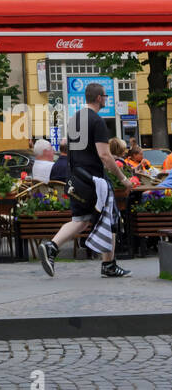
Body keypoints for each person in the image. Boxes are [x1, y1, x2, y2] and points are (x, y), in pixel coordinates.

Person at [40, 82, 136, 279]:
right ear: (99, 98)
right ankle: (108, 264)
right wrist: (123, 178)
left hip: (77, 177)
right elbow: (104, 155)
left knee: (81, 219)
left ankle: (52, 246)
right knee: (111, 217)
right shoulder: (97, 121)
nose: (107, 99)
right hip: (95, 179)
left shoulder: (75, 119)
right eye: (106, 96)